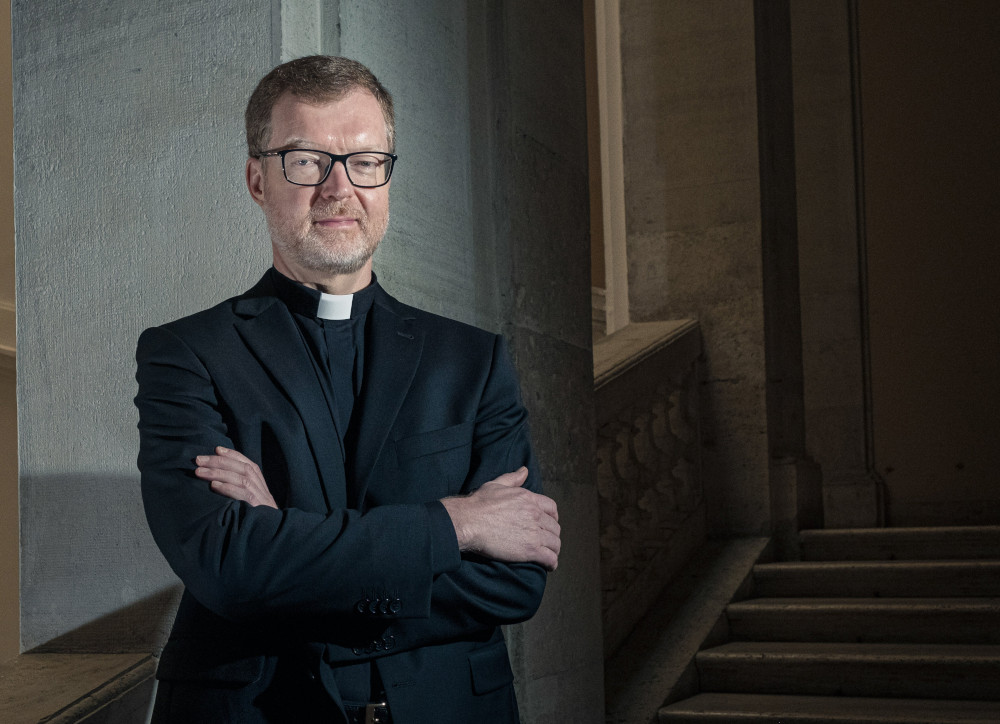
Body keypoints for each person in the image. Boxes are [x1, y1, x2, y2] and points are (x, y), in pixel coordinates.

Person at [135, 55, 560, 724]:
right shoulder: (187, 354)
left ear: (387, 177)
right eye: (305, 161)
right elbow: (226, 566)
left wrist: (285, 542)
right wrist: (459, 524)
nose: (339, 189)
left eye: (364, 162)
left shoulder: (473, 361)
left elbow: (516, 578)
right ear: (257, 179)